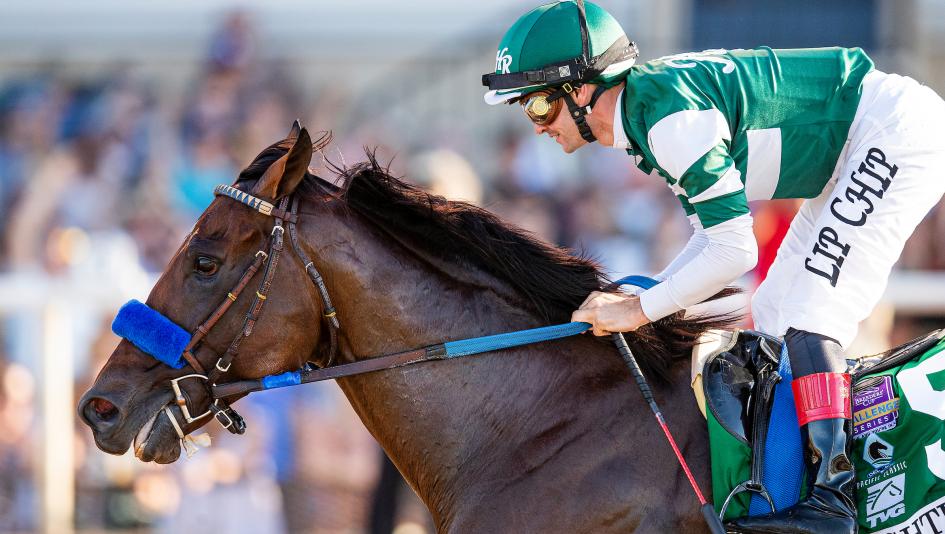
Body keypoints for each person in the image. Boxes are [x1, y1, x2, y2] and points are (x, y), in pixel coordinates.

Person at [481, 1, 945, 532]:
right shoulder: (647, 112)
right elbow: (712, 239)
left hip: (892, 133)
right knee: (774, 311)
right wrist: (648, 295)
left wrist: (640, 309)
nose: (537, 126)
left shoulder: (669, 121)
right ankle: (796, 484)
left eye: (539, 106)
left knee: (811, 311)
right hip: (858, 143)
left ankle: (833, 498)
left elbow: (735, 253)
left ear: (581, 89)